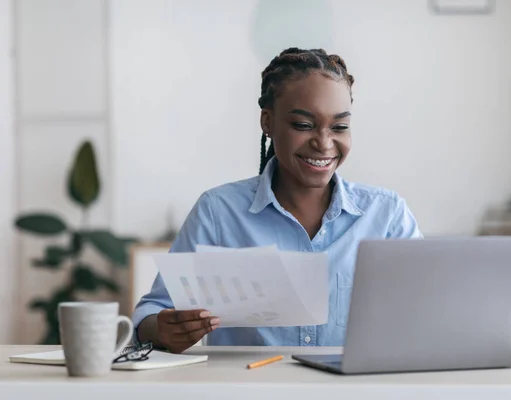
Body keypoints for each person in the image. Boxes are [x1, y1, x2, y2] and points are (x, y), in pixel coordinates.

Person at [133, 47, 422, 354]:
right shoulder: (218, 213)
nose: (324, 143)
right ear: (267, 122)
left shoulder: (387, 216)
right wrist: (163, 330)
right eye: (303, 125)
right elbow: (151, 315)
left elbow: (429, 309)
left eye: (339, 127)